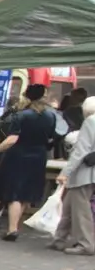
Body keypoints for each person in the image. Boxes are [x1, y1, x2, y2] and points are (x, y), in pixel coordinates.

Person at [0, 84, 58, 241]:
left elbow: (12, 139)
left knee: (15, 193)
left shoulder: (21, 115)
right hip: (39, 156)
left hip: (18, 155)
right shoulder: (51, 116)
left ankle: (12, 230)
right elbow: (51, 138)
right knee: (27, 193)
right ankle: (16, 226)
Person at [52, 95, 95, 256]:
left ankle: (86, 244)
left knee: (80, 210)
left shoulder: (90, 122)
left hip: (85, 173)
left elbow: (80, 151)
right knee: (70, 206)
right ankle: (59, 238)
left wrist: (65, 172)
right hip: (90, 172)